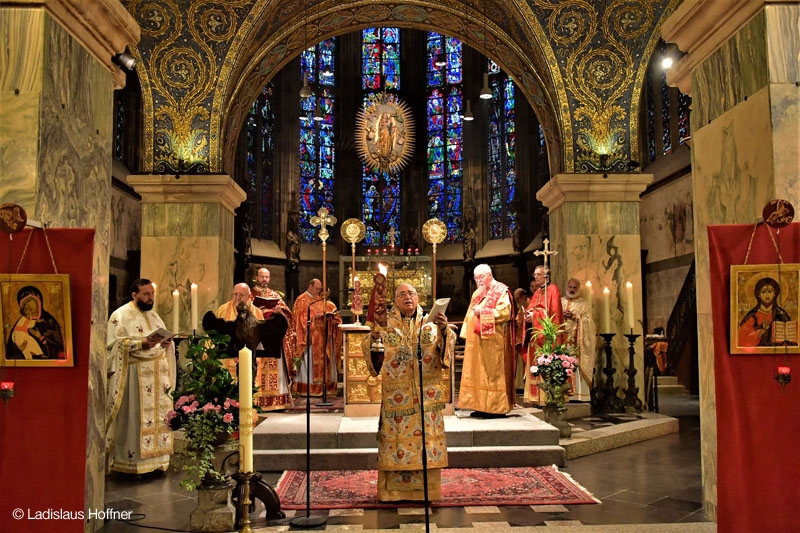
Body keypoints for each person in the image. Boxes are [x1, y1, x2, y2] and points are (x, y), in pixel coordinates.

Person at [361, 283, 456, 502]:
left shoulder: (430, 323)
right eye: (402, 294)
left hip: (426, 398)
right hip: (397, 397)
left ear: (418, 298)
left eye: (411, 293)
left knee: (426, 445)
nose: (407, 297)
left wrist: (444, 330)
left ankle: (427, 491)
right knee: (396, 443)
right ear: (395, 300)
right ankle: (392, 493)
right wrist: (373, 338)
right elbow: (371, 352)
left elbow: (446, 352)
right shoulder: (385, 324)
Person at [106, 278, 176, 475]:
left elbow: (161, 343)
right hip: (134, 378)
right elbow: (111, 346)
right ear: (134, 295)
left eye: (152, 294)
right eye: (146, 294)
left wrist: (166, 344)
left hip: (157, 378)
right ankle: (132, 464)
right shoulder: (120, 316)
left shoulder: (155, 317)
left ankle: (157, 462)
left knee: (159, 419)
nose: (150, 297)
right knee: (135, 419)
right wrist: (139, 344)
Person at [458, 264, 516, 418]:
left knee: (491, 373)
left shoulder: (501, 291)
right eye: (476, 278)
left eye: (481, 277)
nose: (478, 280)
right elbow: (469, 314)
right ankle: (479, 405)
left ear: (489, 275)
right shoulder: (478, 293)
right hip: (476, 342)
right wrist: (466, 334)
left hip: (493, 342)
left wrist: (483, 311)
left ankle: (494, 408)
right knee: (477, 373)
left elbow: (505, 313)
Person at [250, 269, 296, 411]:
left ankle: (278, 400)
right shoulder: (250, 295)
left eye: (267, 277)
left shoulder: (274, 295)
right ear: (256, 277)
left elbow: (288, 314)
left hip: (274, 338)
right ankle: (259, 400)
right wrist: (260, 311)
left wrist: (277, 312)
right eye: (262, 276)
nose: (264, 279)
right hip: (258, 337)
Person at [292, 278, 342, 396]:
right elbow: (299, 319)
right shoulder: (301, 300)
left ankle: (323, 388)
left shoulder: (319, 300)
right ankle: (308, 388)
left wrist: (329, 318)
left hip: (322, 337)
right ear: (310, 286)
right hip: (309, 339)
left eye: (320, 289)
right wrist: (315, 318)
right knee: (309, 363)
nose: (319, 292)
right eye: (317, 289)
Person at [525, 265, 564, 405]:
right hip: (536, 335)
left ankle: (547, 398)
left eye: (538, 274)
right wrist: (528, 315)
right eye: (534, 274)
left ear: (546, 276)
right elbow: (532, 307)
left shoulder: (552, 290)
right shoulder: (538, 291)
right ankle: (537, 398)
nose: (535, 277)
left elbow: (553, 313)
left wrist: (535, 315)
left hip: (546, 336)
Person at [6, 285, 65, 360]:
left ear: (38, 301)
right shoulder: (21, 322)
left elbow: (58, 347)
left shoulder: (49, 321)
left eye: (30, 300)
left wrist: (40, 337)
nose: (27, 305)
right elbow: (11, 353)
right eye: (24, 303)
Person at [561, 278, 597, 402]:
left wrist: (575, 317)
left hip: (577, 343)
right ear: (566, 287)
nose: (572, 290)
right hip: (562, 341)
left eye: (574, 287)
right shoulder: (560, 301)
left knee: (576, 366)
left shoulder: (584, 304)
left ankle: (578, 395)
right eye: (570, 287)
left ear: (579, 289)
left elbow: (589, 322)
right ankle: (562, 394)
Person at [738, 277, 797, 347]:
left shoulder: (781, 314)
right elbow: (742, 338)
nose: (767, 295)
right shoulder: (752, 315)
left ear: (774, 294)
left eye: (770, 292)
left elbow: (791, 340)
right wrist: (761, 331)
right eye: (763, 292)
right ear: (759, 294)